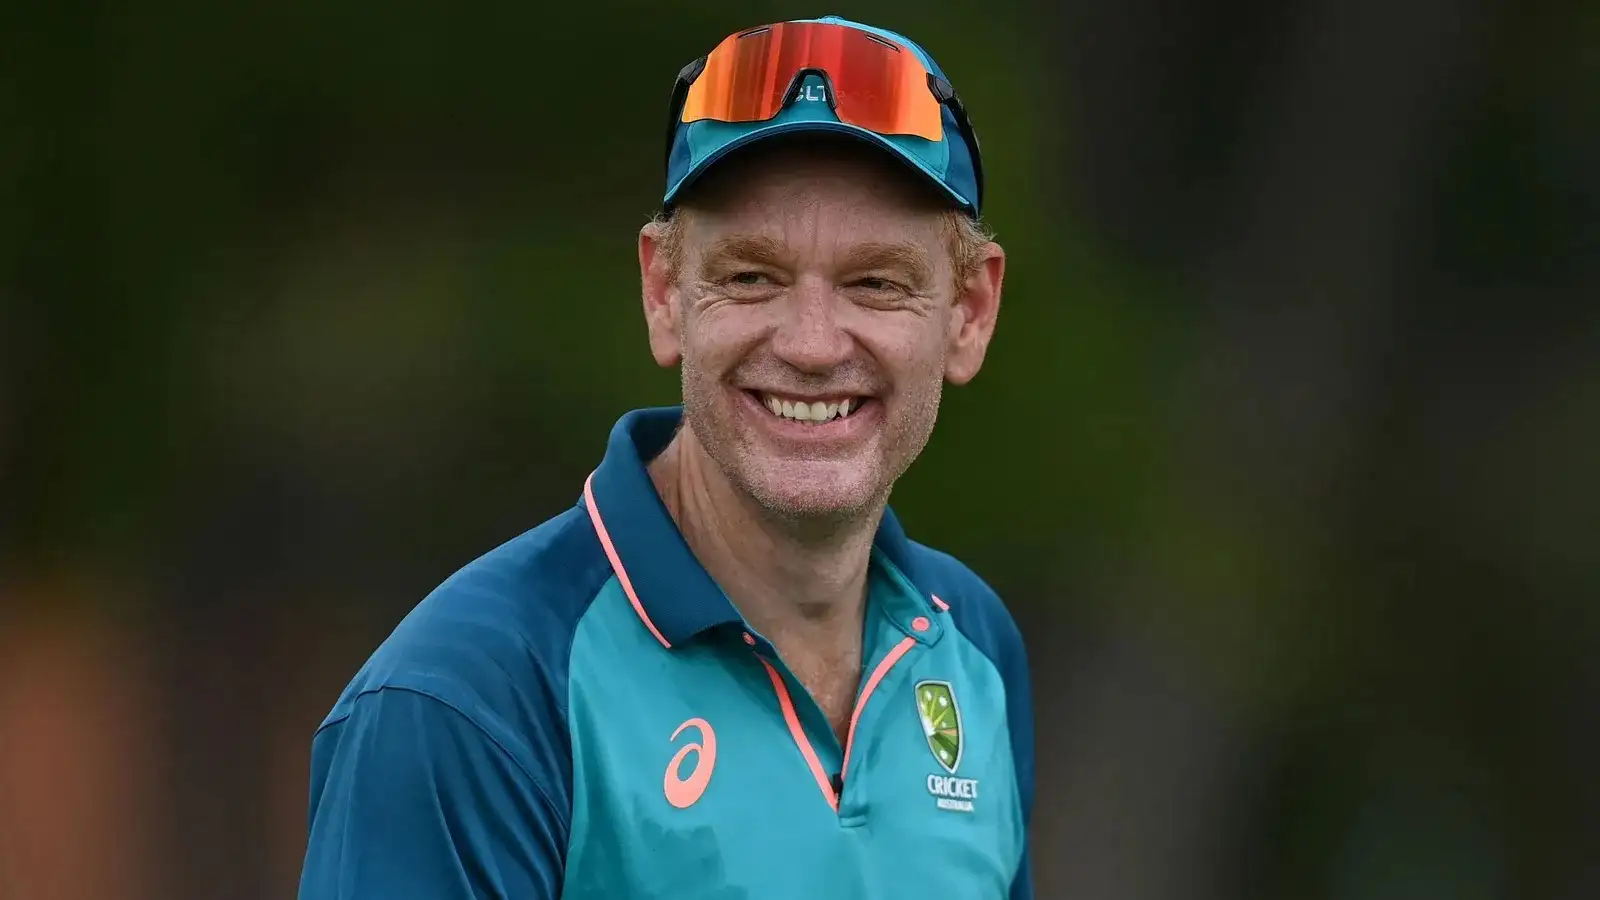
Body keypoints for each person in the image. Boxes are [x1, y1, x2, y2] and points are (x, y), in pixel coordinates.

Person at [298, 15, 1033, 899]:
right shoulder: (464, 699)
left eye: (875, 283)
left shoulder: (974, 648)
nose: (810, 343)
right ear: (663, 293)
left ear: (970, 313)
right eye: (751, 277)